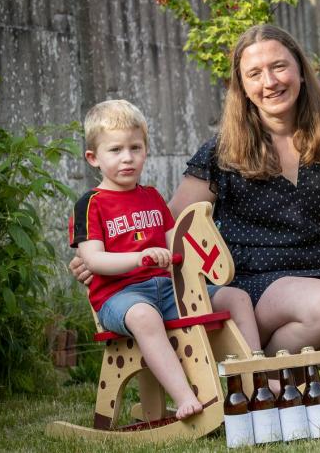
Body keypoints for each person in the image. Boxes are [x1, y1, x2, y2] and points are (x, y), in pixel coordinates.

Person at [72, 24, 320, 358]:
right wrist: (104, 256)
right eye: (255, 74)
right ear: (243, 87)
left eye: (279, 66)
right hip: (250, 284)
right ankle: (256, 376)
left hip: (319, 269)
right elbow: (174, 223)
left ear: (301, 71)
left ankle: (281, 372)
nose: (270, 82)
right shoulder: (225, 149)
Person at [70, 100, 259, 419]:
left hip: (169, 290)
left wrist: (196, 257)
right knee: (144, 317)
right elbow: (94, 260)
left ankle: (257, 378)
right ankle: (185, 396)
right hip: (121, 297)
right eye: (115, 150)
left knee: (236, 296)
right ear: (93, 158)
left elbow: (177, 248)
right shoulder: (91, 204)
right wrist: (140, 259)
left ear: (145, 150)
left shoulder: (153, 197)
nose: (127, 158)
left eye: (135, 147)